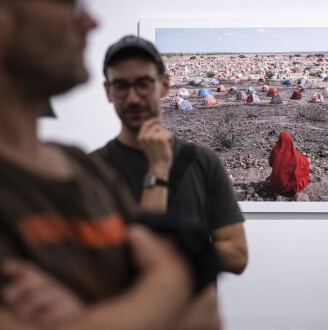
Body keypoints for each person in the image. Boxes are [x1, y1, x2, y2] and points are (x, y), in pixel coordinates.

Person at [0, 0, 223, 330]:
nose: (91, 22)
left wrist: (85, 325)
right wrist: (174, 275)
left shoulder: (81, 168)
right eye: (70, 0)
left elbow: (204, 325)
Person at [92, 35, 248, 275]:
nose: (133, 98)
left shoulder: (203, 162)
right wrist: (157, 168)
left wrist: (173, 250)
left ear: (164, 85)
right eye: (121, 86)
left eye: (143, 83)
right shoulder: (92, 170)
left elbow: (238, 255)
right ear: (108, 91)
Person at [268, 131, 310, 196]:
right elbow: (306, 163)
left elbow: (270, 163)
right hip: (291, 190)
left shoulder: (275, 151)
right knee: (304, 175)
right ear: (289, 140)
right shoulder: (295, 155)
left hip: (276, 186)